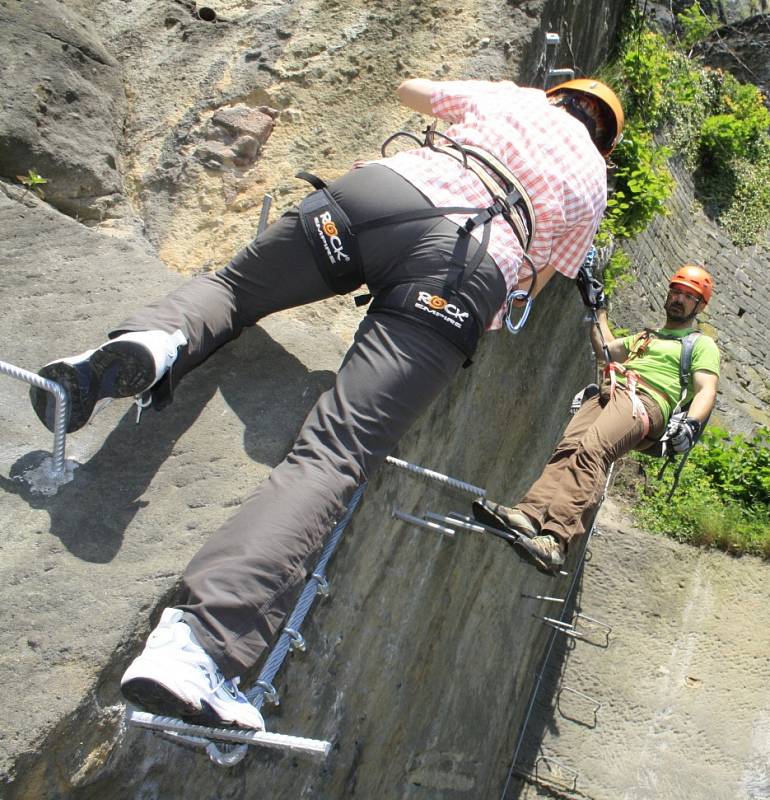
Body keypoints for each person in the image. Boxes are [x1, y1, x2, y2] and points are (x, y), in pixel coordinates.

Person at [30, 77, 624, 730]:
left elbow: (408, 89)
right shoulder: (592, 181)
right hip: (462, 270)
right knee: (337, 450)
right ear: (606, 138)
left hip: (381, 195)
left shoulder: (514, 98)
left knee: (234, 289)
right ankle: (195, 646)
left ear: (558, 95)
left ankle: (154, 339)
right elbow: (529, 285)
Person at [473, 264, 720, 576]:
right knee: (569, 448)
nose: (679, 299)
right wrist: (597, 308)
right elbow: (606, 349)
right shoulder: (647, 337)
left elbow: (706, 389)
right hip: (611, 391)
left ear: (700, 306)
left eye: (689, 296)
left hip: (645, 401)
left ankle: (557, 541)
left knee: (593, 450)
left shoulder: (700, 344)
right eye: (677, 292)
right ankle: (530, 514)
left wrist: (692, 423)